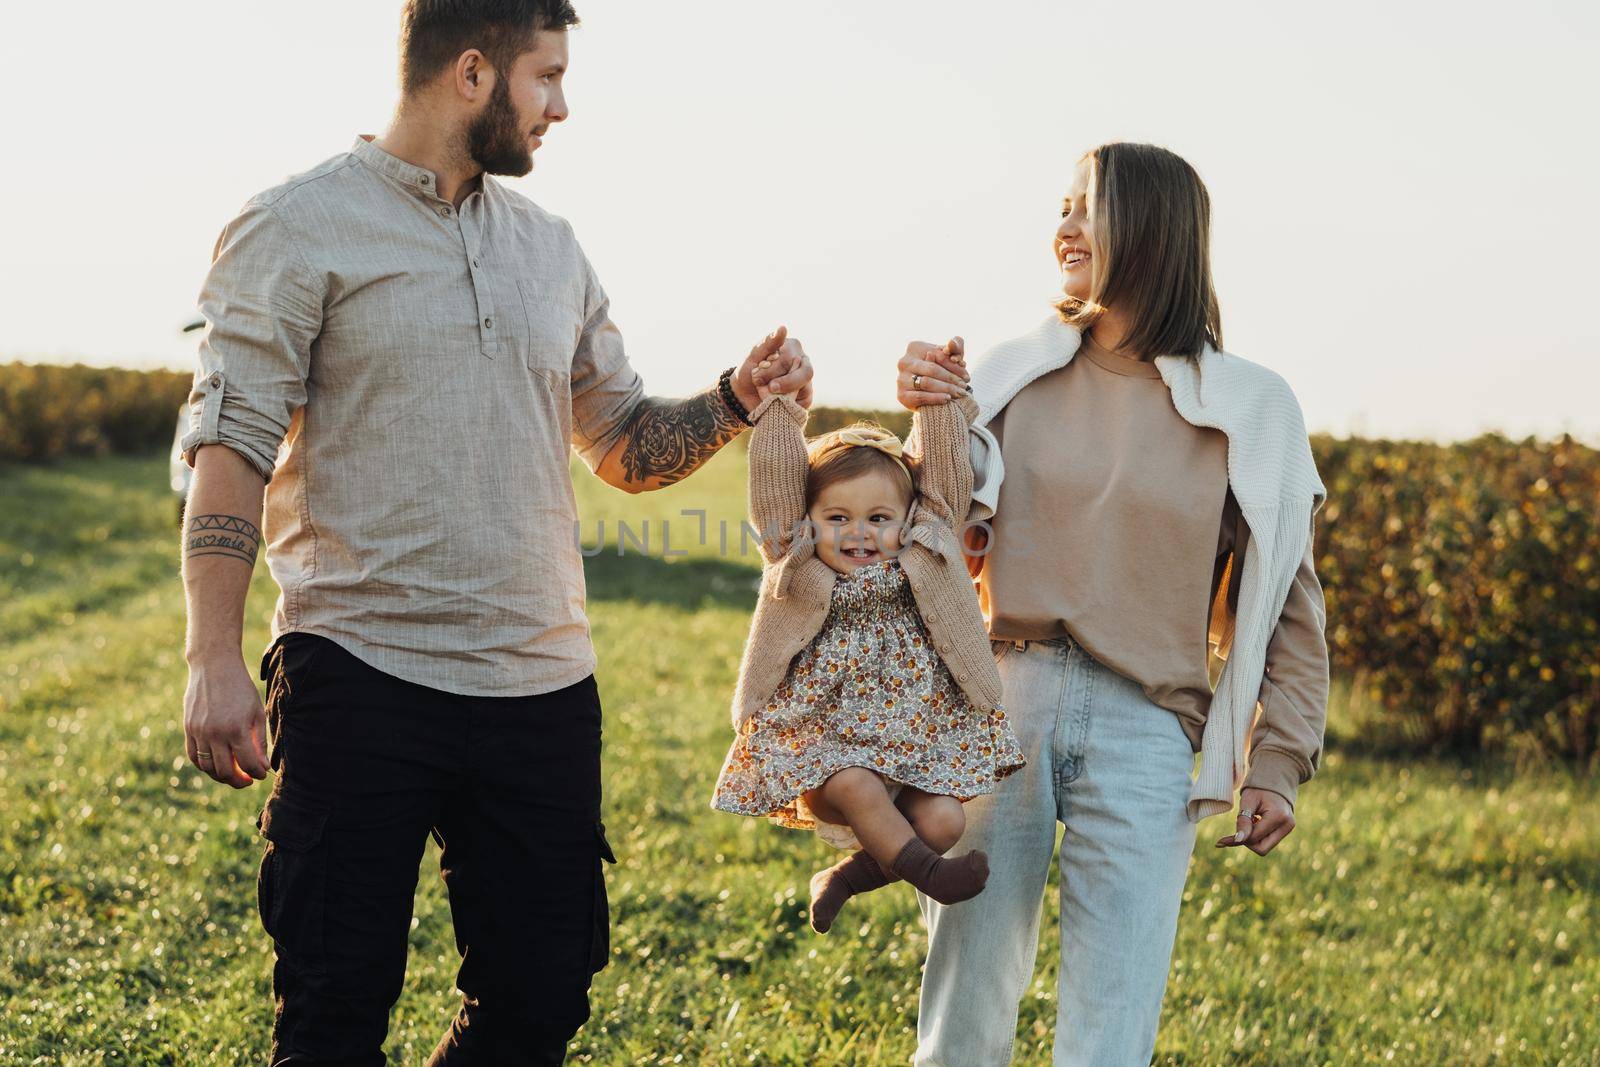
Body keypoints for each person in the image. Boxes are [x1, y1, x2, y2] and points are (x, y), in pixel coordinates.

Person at [176, 2, 813, 1062]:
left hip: (540, 685)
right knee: (334, 1008)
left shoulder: (552, 249)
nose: (561, 106)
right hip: (356, 669)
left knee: (541, 996)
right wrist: (212, 653)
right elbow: (231, 447)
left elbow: (619, 441)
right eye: (545, 77)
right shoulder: (295, 225)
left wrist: (732, 402)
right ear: (472, 73)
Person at [896, 142, 1330, 1065]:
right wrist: (932, 415)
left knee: (1112, 1030)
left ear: (1154, 227)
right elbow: (924, 524)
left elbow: (1289, 602)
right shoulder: (1011, 376)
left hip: (1150, 730)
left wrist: (1277, 761)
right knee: (964, 1010)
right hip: (997, 704)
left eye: (1087, 207)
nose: (1063, 228)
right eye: (1061, 207)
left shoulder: (1251, 409)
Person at [710, 348, 1025, 935]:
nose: (859, 533)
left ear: (907, 520)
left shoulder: (924, 557)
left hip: (912, 749)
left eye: (879, 518)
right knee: (855, 780)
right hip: (827, 753)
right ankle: (931, 877)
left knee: (945, 820)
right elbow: (776, 489)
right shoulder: (799, 563)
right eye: (837, 518)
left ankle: (846, 878)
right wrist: (779, 408)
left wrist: (936, 406)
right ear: (808, 522)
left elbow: (947, 487)